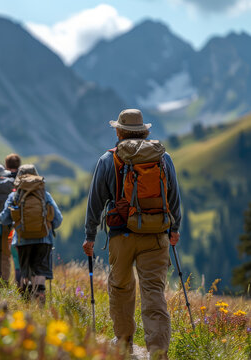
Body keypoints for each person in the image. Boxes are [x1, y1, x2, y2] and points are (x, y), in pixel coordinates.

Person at [83, 109, 181, 360]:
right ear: (145, 132)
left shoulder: (109, 159)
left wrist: (90, 235)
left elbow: (95, 201)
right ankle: (158, 352)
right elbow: (173, 197)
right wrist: (174, 229)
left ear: (118, 131)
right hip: (156, 234)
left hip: (121, 235)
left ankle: (124, 342)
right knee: (154, 293)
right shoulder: (162, 158)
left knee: (121, 287)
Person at [0, 164, 62, 304]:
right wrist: (48, 227)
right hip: (43, 240)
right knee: (39, 270)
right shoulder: (45, 195)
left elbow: (4, 219)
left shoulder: (14, 195)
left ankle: (27, 304)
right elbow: (58, 219)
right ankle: (40, 297)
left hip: (22, 240)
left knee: (25, 270)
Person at [4, 153, 22, 286]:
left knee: (14, 257)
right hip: (28, 224)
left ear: (6, 165)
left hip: (10, 225)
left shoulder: (3, 179)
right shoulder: (25, 180)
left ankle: (18, 287)